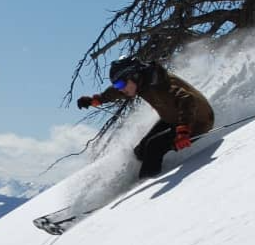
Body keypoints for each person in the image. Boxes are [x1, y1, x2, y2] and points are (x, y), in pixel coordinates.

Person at [77, 57, 215, 179]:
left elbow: (187, 99)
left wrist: (184, 130)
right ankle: (150, 172)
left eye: (120, 84)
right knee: (141, 151)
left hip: (198, 121)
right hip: (173, 118)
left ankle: (145, 186)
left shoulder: (160, 84)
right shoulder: (140, 83)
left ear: (134, 76)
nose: (120, 89)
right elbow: (115, 92)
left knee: (153, 146)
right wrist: (97, 100)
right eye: (116, 85)